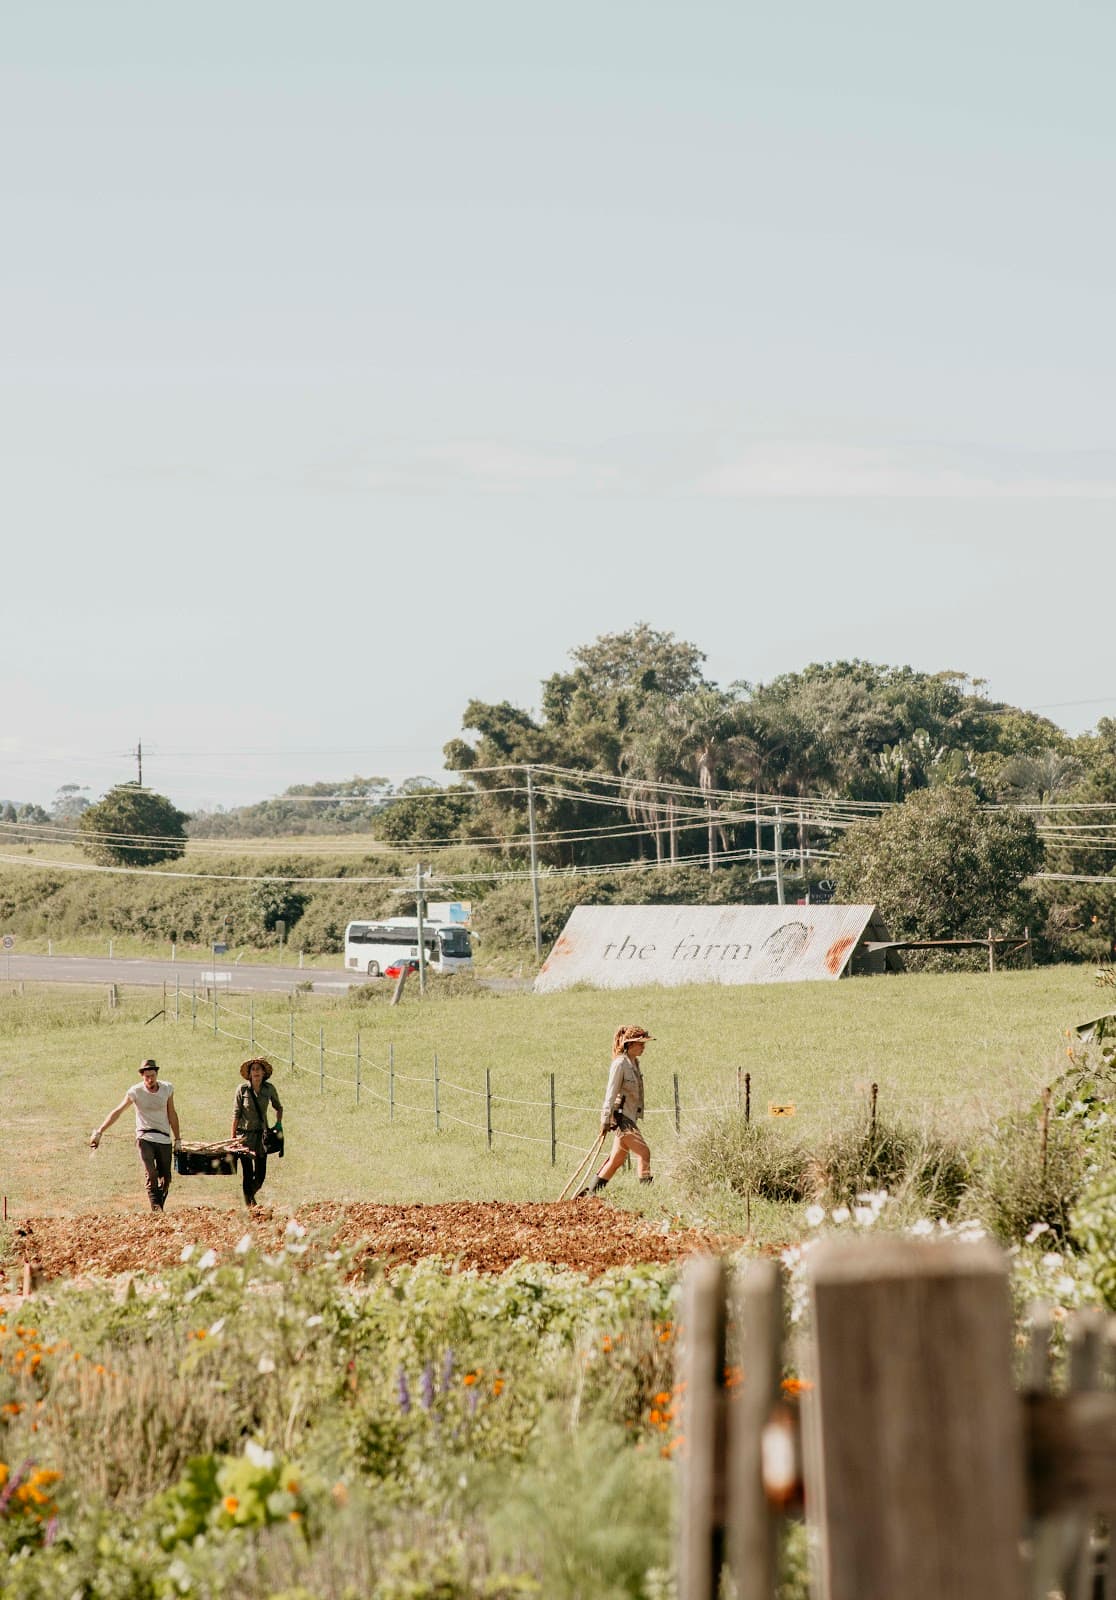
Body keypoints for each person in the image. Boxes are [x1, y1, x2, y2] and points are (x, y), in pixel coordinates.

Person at [89, 1059, 181, 1212]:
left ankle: (159, 1209)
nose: (150, 1080)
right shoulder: (135, 1092)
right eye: (146, 1077)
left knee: (166, 1178)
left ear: (157, 1074)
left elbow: (172, 1113)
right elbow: (118, 1111)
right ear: (142, 1076)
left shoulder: (167, 1089)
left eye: (152, 1076)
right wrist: (100, 1131)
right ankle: (156, 1211)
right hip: (145, 1137)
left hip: (164, 1137)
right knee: (151, 1173)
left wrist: (178, 1139)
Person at [581, 1025, 655, 1196]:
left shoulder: (635, 1063)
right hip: (621, 1119)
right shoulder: (619, 1064)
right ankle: (647, 1196)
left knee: (617, 1159)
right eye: (640, 1043)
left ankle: (590, 1195)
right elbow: (610, 1093)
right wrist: (605, 1119)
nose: (643, 1047)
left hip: (630, 1117)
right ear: (630, 1044)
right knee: (644, 1153)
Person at [232, 1057, 284, 1208]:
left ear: (263, 1073)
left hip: (262, 1136)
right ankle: (249, 1204)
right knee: (248, 1172)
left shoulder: (269, 1089)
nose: (256, 1072)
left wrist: (278, 1124)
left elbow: (278, 1107)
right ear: (249, 1073)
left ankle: (250, 1196)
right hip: (245, 1137)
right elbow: (236, 1114)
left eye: (258, 1069)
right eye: (253, 1069)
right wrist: (233, 1137)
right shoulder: (242, 1090)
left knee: (260, 1174)